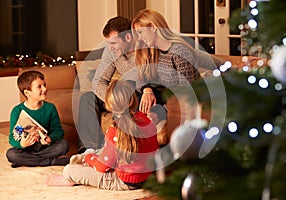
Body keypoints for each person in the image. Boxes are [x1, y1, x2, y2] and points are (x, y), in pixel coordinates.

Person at [46, 80, 159, 190]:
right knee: (102, 151)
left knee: (69, 170)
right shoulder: (148, 121)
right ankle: (86, 158)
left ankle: (76, 171)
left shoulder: (115, 130)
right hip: (146, 177)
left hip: (124, 181)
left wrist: (88, 158)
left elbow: (102, 168)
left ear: (109, 104)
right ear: (131, 101)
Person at [131, 8, 224, 114]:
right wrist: (147, 90)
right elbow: (139, 77)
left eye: (140, 32)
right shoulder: (153, 50)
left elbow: (187, 96)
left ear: (153, 27)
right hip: (169, 97)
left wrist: (162, 112)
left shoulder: (180, 52)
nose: (139, 38)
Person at [76, 16, 137, 153]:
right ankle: (89, 150)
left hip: (135, 95)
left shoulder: (145, 52)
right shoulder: (111, 51)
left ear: (128, 37)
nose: (110, 48)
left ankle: (121, 149)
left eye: (114, 43)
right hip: (118, 97)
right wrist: (113, 100)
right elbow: (98, 82)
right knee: (87, 98)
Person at [6, 70, 69, 168]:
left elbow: (58, 131)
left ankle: (26, 161)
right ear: (27, 93)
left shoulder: (50, 108)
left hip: (45, 147)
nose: (44, 89)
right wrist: (22, 144)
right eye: (39, 87)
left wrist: (50, 138)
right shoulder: (17, 111)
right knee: (11, 154)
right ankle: (51, 161)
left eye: (44, 85)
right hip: (26, 149)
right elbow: (12, 138)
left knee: (63, 145)